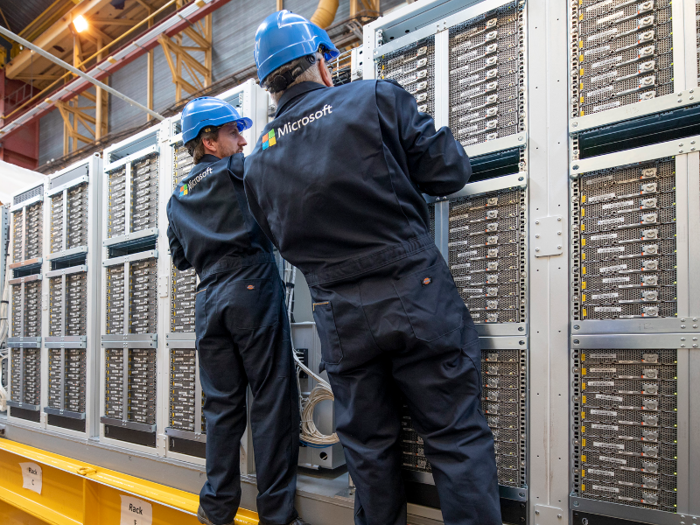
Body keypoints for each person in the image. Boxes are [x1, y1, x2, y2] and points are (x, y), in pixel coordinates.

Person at [243, 10, 502, 525]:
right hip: (414, 293)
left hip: (339, 314)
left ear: (269, 83)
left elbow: (279, 241)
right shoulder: (373, 97)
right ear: (319, 60)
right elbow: (448, 171)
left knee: (368, 451)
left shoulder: (257, 162)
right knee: (454, 437)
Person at [166, 97, 307, 525]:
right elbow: (282, 199)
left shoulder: (177, 197)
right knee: (271, 400)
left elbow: (180, 259)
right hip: (250, 286)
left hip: (209, 299)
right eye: (233, 133)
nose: (243, 140)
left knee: (222, 408)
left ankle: (216, 512)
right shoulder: (238, 170)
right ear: (209, 141)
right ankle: (277, 518)